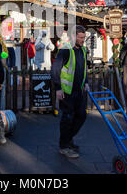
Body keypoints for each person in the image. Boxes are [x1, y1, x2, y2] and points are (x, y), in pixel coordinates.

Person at [52, 25, 90, 159]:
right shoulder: (65, 50)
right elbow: (55, 69)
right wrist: (58, 88)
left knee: (81, 115)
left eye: (84, 37)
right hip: (66, 92)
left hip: (78, 91)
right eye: (80, 38)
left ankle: (68, 139)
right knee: (67, 119)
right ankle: (64, 146)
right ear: (73, 37)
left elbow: (84, 68)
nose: (83, 40)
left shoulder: (84, 50)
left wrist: (86, 83)